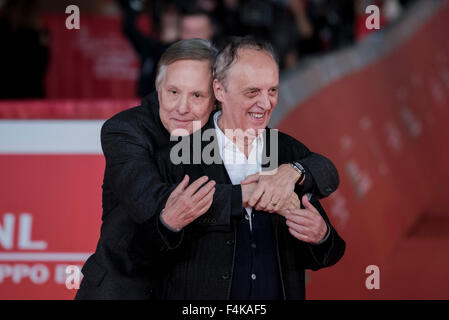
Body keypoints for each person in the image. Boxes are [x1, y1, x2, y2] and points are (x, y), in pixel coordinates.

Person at [75, 38, 340, 300]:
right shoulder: (127, 131)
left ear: (216, 97)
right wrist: (249, 194)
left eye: (197, 95)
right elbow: (155, 206)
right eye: (174, 92)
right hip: (121, 288)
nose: (182, 107)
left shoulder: (254, 143)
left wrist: (292, 172)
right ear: (158, 89)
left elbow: (321, 168)